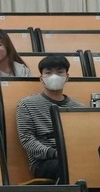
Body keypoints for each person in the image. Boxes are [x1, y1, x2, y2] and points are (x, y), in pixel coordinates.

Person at [15, 54, 81, 182]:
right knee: (66, 167)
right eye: (48, 72)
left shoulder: (79, 108)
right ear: (41, 78)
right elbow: (27, 140)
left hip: (76, 158)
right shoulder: (26, 104)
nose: (54, 76)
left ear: (67, 77)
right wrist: (54, 153)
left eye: (59, 72)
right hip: (43, 162)